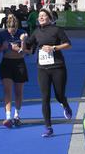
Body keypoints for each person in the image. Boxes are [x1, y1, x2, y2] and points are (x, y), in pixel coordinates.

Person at [25, 8, 72, 137]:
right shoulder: (36, 32)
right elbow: (28, 48)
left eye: (43, 15)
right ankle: (48, 127)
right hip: (42, 69)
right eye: (39, 16)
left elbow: (68, 44)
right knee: (45, 98)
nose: (40, 17)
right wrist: (22, 41)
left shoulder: (56, 30)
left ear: (49, 18)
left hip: (57, 67)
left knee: (59, 95)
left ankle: (65, 103)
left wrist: (54, 48)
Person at [0, 14, 30, 128]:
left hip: (19, 64)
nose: (12, 32)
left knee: (18, 92)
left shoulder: (22, 33)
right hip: (6, 63)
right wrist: (3, 47)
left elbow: (27, 51)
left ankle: (17, 115)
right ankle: (8, 116)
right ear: (7, 27)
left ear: (17, 27)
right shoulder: (2, 34)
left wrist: (22, 44)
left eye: (14, 29)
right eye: (10, 29)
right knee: (7, 90)